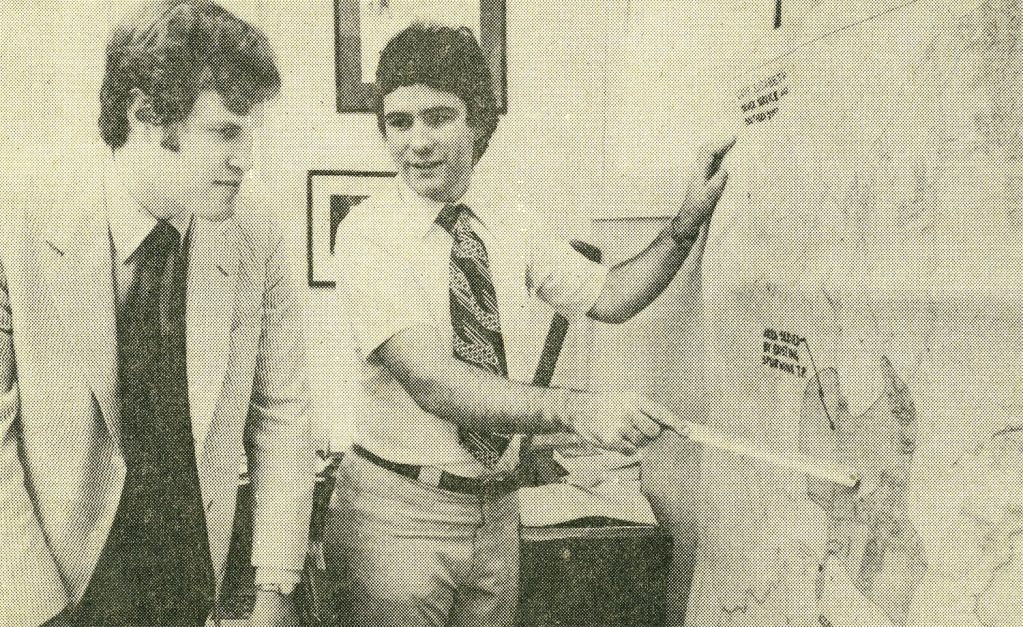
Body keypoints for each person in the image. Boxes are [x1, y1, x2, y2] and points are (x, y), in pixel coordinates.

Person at [325, 22, 734, 627]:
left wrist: (681, 229)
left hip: (496, 516)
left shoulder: (510, 220)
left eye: (438, 117)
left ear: (480, 124)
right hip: (396, 518)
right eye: (398, 122)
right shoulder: (366, 233)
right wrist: (577, 410)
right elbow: (439, 384)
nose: (417, 141)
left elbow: (611, 297)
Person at [0, 2, 314, 625]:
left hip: (197, 579)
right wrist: (34, 606)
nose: (245, 159)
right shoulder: (22, 229)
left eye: (253, 134)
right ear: (145, 117)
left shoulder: (258, 238)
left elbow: (284, 418)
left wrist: (273, 591)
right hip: (59, 579)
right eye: (227, 132)